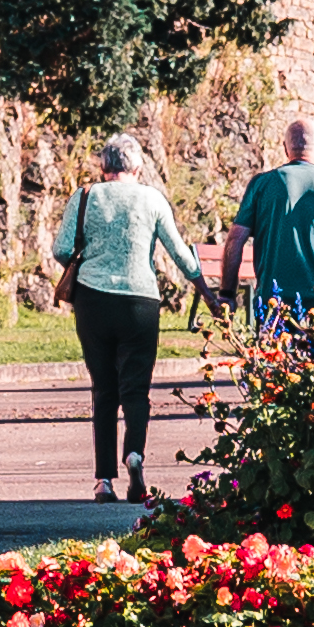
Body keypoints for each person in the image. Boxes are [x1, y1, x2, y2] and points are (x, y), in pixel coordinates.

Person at [48, 129, 198, 504]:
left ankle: (103, 481)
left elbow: (61, 249)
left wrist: (93, 259)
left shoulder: (85, 197)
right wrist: (206, 288)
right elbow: (179, 253)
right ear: (138, 166)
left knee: (103, 389)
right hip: (140, 303)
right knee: (136, 389)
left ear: (103, 165)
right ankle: (135, 454)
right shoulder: (152, 198)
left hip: (93, 301)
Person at [220, 113, 314, 330]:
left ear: (286, 149)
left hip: (273, 307)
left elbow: (235, 240)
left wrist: (227, 293)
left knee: (273, 362)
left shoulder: (262, 185)